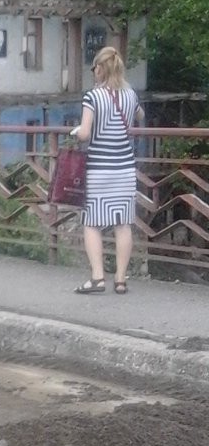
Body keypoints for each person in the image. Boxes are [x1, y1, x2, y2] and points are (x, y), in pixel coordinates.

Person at [73, 44, 144, 294]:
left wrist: (75, 131)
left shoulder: (92, 97)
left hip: (100, 170)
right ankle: (121, 280)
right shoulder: (130, 94)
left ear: (101, 68)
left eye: (94, 67)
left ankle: (97, 278)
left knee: (92, 223)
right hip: (124, 170)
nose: (93, 71)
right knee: (123, 224)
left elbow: (84, 133)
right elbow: (139, 116)